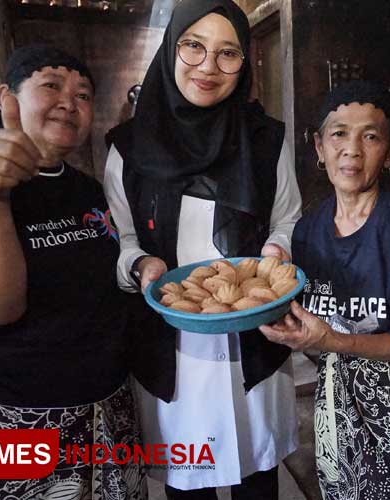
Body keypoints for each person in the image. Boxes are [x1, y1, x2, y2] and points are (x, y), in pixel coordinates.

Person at [103, 1, 301, 498]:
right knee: (188, 477)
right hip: (171, 346)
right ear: (170, 49)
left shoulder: (266, 140)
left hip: (253, 337)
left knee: (258, 473)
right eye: (193, 46)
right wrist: (143, 264)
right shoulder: (128, 147)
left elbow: (288, 218)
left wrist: (275, 251)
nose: (209, 67)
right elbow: (123, 240)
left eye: (228, 53)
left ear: (244, 63)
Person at [0, 45, 146, 499]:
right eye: (51, 85)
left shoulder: (88, 190)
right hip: (9, 420)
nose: (70, 102)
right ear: (8, 99)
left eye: (84, 94)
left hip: (104, 412)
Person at [260, 81, 390, 500]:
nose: (352, 149)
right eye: (339, 134)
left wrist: (329, 339)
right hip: (337, 397)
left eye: (370, 136)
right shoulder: (308, 231)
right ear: (318, 147)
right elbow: (302, 315)